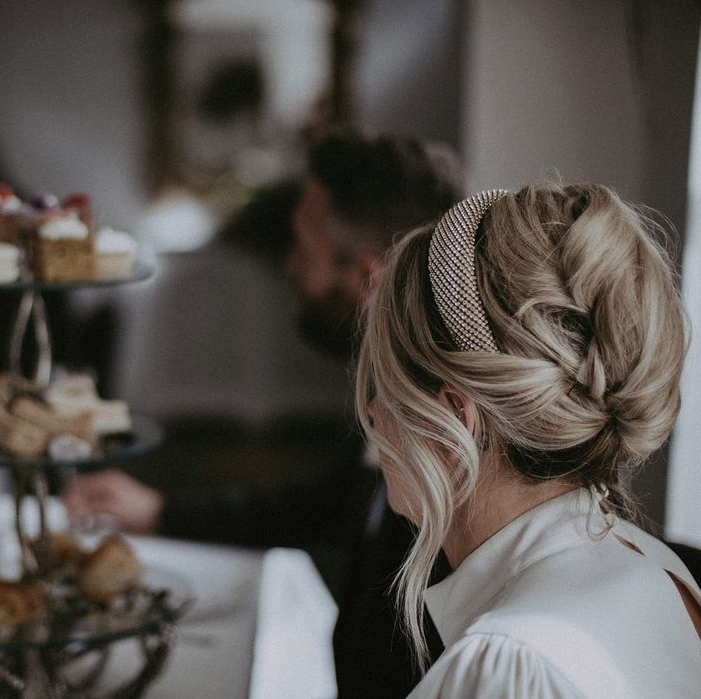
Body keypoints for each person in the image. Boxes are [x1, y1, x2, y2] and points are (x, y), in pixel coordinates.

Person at [63, 130, 463, 697]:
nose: (290, 265)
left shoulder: (441, 434)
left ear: (370, 278)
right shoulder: (400, 380)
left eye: (304, 246)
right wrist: (160, 511)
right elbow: (331, 504)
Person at [355, 182, 701, 697]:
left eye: (384, 386)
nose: (374, 415)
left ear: (455, 420)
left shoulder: (508, 667)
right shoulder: (659, 570)